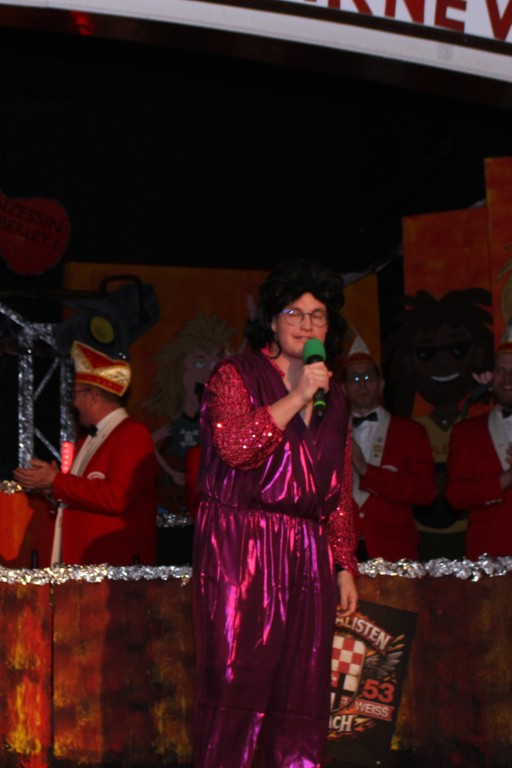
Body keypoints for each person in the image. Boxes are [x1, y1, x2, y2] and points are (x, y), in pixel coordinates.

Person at [193, 259, 358, 768]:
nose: (306, 325)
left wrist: (344, 563)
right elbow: (236, 449)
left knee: (302, 683)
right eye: (294, 313)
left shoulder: (337, 397)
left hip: (306, 550)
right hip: (240, 543)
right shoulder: (234, 374)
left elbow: (337, 487)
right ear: (271, 321)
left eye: (317, 316)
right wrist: (298, 396)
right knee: (237, 678)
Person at [13, 341, 158, 566]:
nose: (72, 402)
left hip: (111, 567)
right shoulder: (87, 439)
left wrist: (57, 481)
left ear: (92, 397)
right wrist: (52, 488)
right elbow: (83, 495)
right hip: (83, 565)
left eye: (75, 394)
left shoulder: (132, 434)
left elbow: (117, 497)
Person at [342, 338, 437, 561]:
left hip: (393, 548)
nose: (362, 384)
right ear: (342, 389)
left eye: (368, 377)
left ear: (381, 383)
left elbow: (425, 493)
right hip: (342, 551)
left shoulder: (410, 432)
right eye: (354, 378)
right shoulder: (329, 433)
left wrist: (367, 471)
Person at [446, 332, 512, 559]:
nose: (508, 379)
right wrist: (505, 478)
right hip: (489, 556)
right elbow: (456, 496)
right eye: (501, 371)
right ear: (491, 378)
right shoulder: (467, 432)